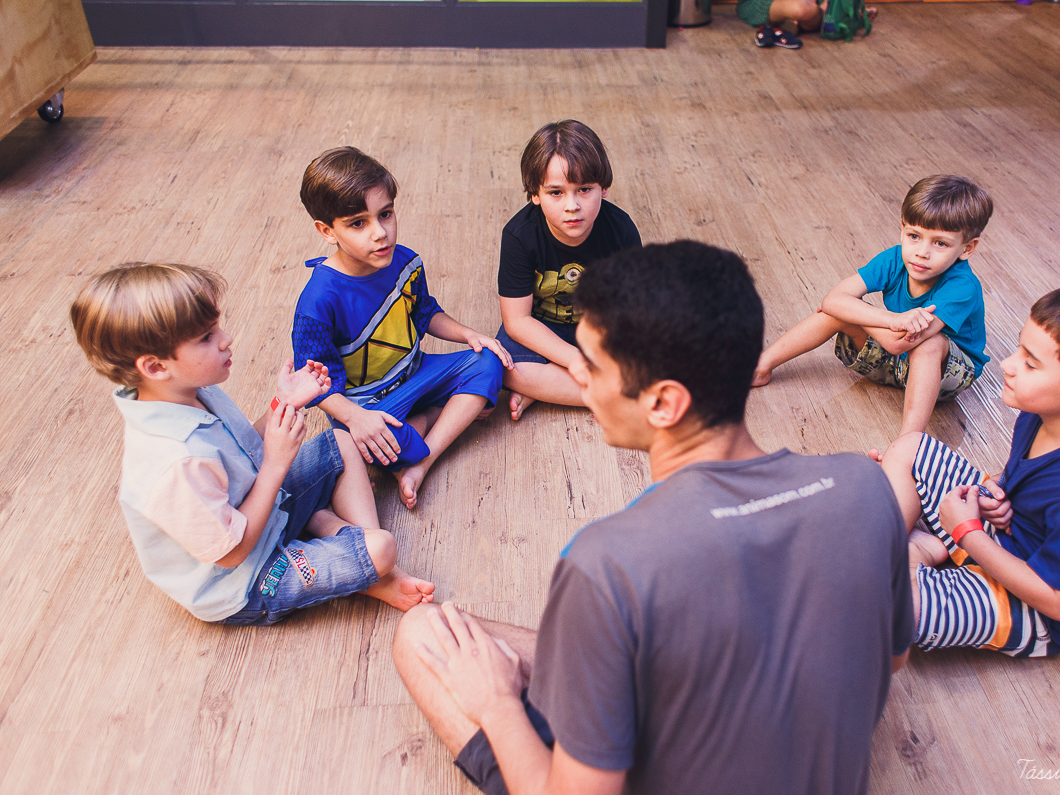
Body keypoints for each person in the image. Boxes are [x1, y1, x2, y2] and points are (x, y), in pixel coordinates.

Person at [393, 241, 912, 795]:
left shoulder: (607, 564)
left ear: (663, 404)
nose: (577, 375)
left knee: (422, 635)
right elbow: (895, 658)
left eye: (590, 365)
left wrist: (496, 704)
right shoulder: (865, 485)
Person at [70, 263, 435, 624]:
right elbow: (232, 554)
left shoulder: (187, 390)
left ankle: (360, 558)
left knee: (341, 440)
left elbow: (246, 448)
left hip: (261, 509)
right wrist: (277, 465)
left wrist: (286, 403)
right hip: (244, 578)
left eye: (216, 328)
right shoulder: (174, 462)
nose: (226, 339)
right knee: (382, 548)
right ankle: (366, 563)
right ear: (155, 367)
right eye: (206, 338)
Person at [873, 283, 1060, 657]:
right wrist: (996, 491)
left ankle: (913, 553)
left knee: (893, 607)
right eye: (1019, 350)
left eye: (1030, 362)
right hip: (1005, 535)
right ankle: (896, 550)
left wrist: (967, 533)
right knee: (910, 447)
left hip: (1035, 608)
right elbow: (1025, 477)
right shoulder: (1047, 410)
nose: (1008, 365)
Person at [292, 147, 512, 510]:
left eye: (386, 214)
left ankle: (422, 460)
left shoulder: (405, 261)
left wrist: (470, 335)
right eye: (358, 223)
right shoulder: (318, 300)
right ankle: (432, 419)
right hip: (366, 404)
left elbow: (424, 313)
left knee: (489, 361)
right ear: (327, 231)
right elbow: (316, 384)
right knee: (379, 446)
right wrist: (356, 419)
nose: (381, 233)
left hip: (415, 372)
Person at [755, 174, 992, 436]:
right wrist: (888, 319)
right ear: (902, 228)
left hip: (943, 377)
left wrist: (858, 314)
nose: (922, 252)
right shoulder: (894, 259)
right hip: (894, 362)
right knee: (833, 313)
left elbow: (900, 342)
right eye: (914, 235)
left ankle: (908, 442)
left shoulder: (962, 286)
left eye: (940, 243)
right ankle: (760, 366)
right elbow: (831, 301)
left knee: (929, 342)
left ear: (967, 248)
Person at [496, 120, 641, 421]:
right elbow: (517, 321)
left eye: (584, 189)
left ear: (604, 188)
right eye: (556, 193)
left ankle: (549, 388)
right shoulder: (519, 235)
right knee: (503, 366)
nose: (572, 206)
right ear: (535, 194)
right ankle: (610, 397)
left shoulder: (620, 229)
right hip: (542, 329)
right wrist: (576, 361)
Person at [737, 0, 877, 50]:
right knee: (803, 9)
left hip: (810, 0)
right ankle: (828, 14)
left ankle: (792, 24)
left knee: (807, 9)